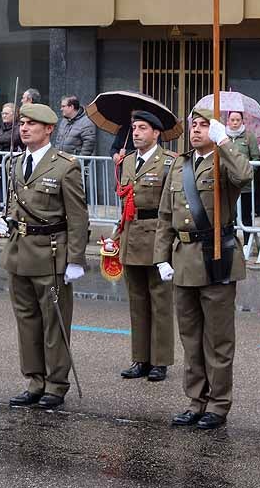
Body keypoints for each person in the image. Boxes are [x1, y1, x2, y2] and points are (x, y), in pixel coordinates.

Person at [153, 107, 253, 430]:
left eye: (203, 125)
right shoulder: (179, 165)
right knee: (191, 337)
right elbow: (165, 216)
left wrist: (225, 142)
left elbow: (245, 176)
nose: (196, 130)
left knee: (218, 339)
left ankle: (218, 404)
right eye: (193, 125)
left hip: (216, 257)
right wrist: (162, 256)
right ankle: (196, 400)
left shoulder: (223, 161)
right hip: (183, 259)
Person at [0, 102, 89, 410]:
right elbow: (15, 203)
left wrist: (75, 259)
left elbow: (78, 217)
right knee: (27, 322)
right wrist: (6, 218)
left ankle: (56, 384)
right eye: (22, 123)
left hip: (50, 254)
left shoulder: (65, 165)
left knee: (53, 323)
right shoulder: (15, 163)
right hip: (19, 251)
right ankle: (34, 380)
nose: (24, 128)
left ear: (48, 129)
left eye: (31, 124)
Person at [114, 111, 177, 383]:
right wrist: (116, 237)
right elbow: (125, 204)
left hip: (156, 236)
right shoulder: (127, 162)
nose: (137, 132)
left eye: (143, 128)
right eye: (134, 127)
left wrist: (168, 244)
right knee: (137, 302)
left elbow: (171, 207)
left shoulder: (169, 163)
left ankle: (160, 361)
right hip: (131, 236)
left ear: (156, 133)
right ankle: (140, 358)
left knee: (160, 302)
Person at [0, 102, 21, 235]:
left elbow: (14, 138)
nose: (4, 116)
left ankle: (12, 227)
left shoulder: (18, 127)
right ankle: (1, 228)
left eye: (7, 113)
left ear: (14, 114)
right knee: (1, 200)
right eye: (2, 113)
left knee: (12, 199)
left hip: (12, 168)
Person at [226, 110, 260, 237]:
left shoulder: (249, 136)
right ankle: (230, 241)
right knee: (230, 214)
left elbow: (256, 158)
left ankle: (248, 242)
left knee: (246, 214)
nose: (235, 123)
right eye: (232, 120)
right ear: (228, 121)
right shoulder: (223, 136)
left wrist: (248, 172)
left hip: (245, 185)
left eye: (237, 120)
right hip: (228, 183)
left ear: (242, 121)